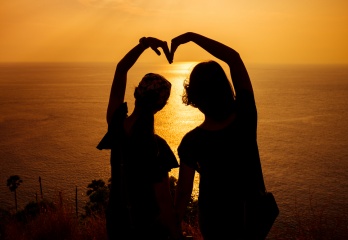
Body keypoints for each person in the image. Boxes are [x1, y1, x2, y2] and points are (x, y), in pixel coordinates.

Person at [171, 32, 266, 239]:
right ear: (225, 88)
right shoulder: (245, 117)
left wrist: (174, 228)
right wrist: (191, 37)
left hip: (214, 223)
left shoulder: (192, 142)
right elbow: (234, 58)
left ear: (194, 98)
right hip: (251, 220)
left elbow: (184, 194)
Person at [97, 37, 181, 240]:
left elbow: (121, 69)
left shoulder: (116, 125)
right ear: (160, 105)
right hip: (146, 226)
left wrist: (143, 45)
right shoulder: (156, 147)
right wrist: (177, 235)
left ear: (136, 94)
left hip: (117, 222)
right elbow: (163, 201)